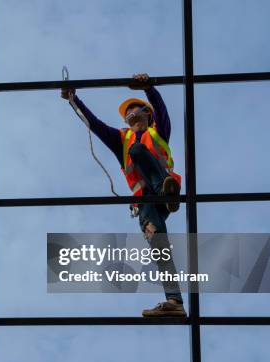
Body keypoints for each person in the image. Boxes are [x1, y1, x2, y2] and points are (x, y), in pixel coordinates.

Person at [61, 73, 186, 317]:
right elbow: (95, 124)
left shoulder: (157, 130)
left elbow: (161, 110)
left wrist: (149, 88)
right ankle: (175, 301)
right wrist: (74, 100)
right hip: (147, 202)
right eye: (128, 114)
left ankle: (165, 192)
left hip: (165, 188)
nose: (131, 115)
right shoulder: (122, 139)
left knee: (139, 150)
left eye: (136, 110)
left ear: (147, 114)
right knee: (158, 243)